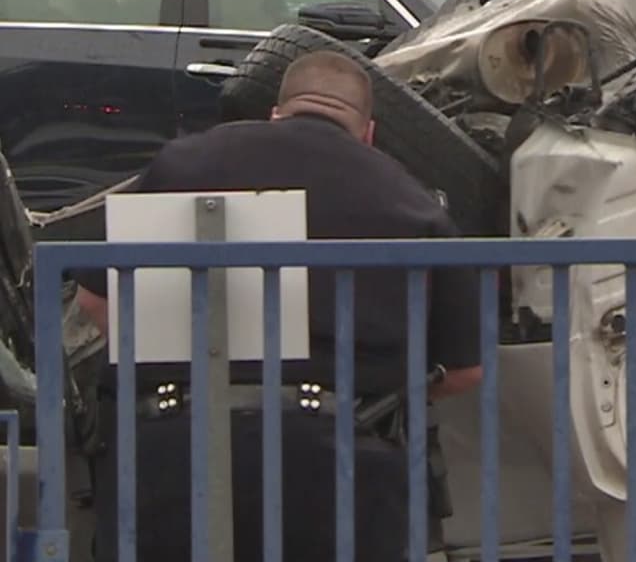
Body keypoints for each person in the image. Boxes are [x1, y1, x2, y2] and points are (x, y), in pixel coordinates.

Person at [71, 49, 481, 561]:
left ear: (275, 113)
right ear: (369, 132)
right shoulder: (413, 201)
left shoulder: (183, 161)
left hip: (171, 456)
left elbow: (93, 299)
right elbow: (464, 370)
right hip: (340, 469)